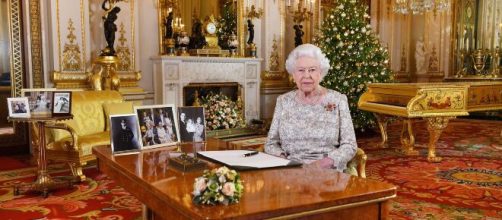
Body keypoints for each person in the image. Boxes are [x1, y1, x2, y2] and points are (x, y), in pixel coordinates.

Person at [264, 44, 357, 172]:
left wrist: (324, 163)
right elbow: (271, 143)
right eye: (301, 70)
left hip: (327, 171)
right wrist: (283, 159)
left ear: (320, 72)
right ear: (293, 74)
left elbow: (350, 145)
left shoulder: (338, 100)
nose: (306, 75)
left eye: (312, 70)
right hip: (291, 171)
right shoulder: (283, 101)